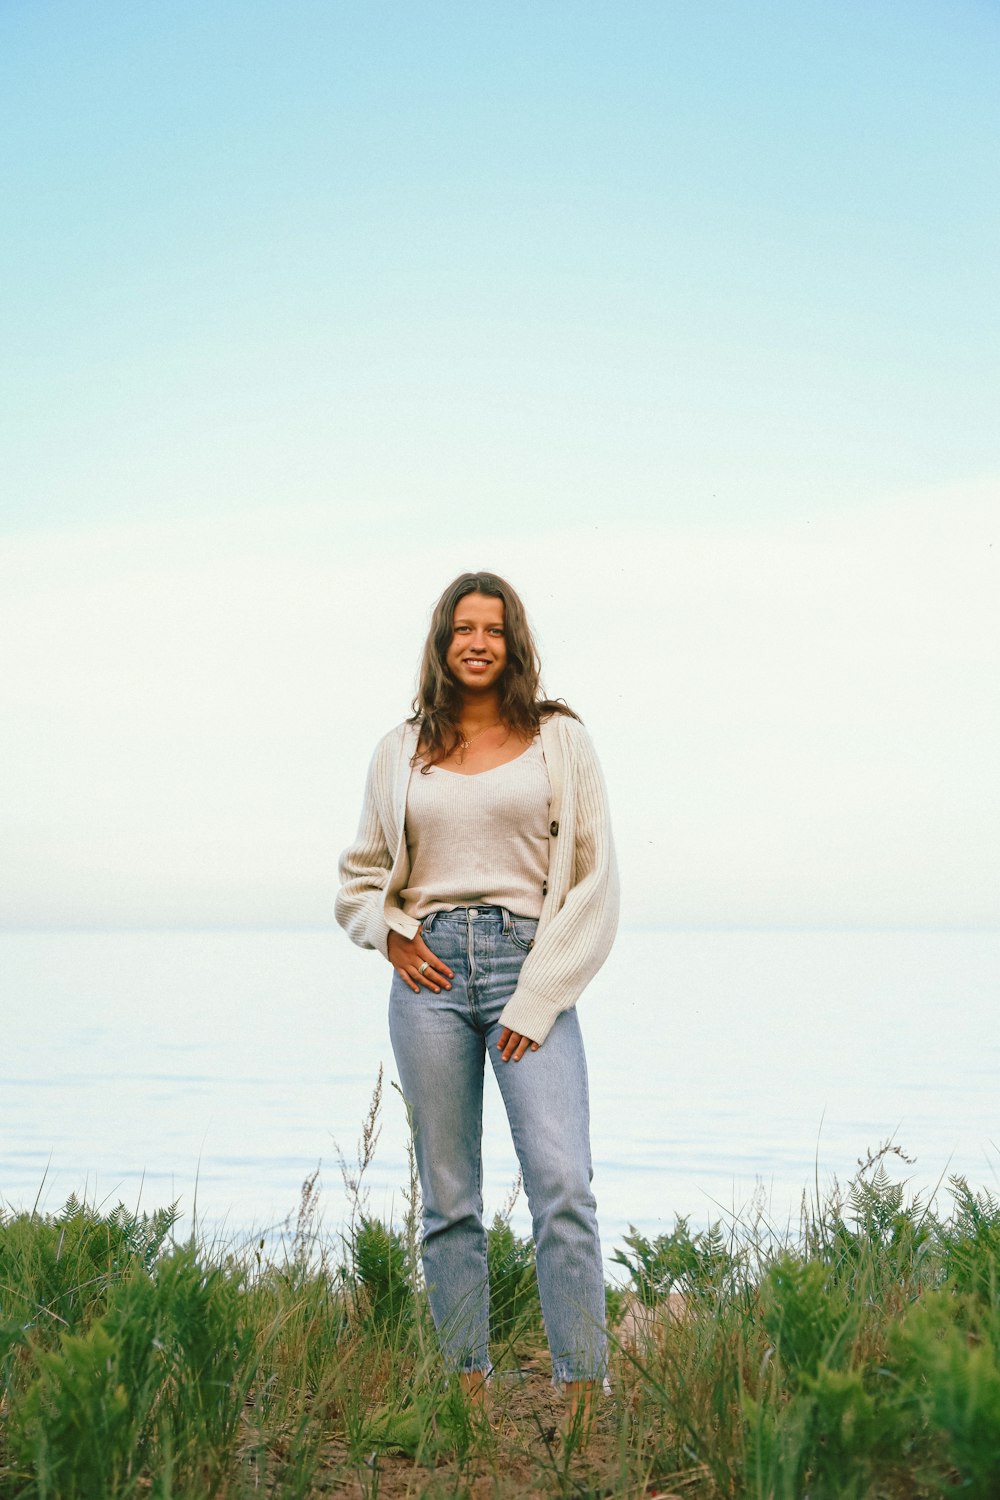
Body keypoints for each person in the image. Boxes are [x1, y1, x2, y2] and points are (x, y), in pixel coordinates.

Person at [336, 570, 619, 1434]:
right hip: (428, 982)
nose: (478, 642)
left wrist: (536, 998)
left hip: (524, 969)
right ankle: (465, 1388)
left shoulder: (559, 740)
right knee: (449, 1198)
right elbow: (360, 874)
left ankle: (579, 1395)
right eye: (464, 627)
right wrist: (389, 935)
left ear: (513, 641)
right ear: (442, 639)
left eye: (494, 628)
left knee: (563, 1183)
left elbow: (595, 882)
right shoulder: (400, 749)